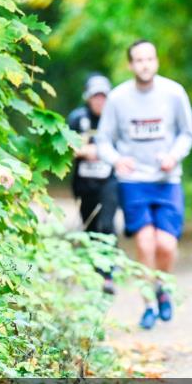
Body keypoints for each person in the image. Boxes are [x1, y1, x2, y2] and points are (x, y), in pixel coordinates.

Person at [95, 40, 192, 329]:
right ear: (130, 65)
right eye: (138, 60)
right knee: (144, 242)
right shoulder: (118, 98)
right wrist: (116, 159)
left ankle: (162, 286)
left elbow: (187, 132)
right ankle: (148, 305)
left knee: (165, 244)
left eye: (149, 59)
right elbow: (103, 139)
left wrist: (173, 156)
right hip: (134, 181)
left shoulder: (173, 93)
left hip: (166, 179)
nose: (144, 64)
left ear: (156, 62)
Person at [68, 74, 120, 293]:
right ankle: (94, 271)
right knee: (89, 225)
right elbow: (63, 146)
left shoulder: (116, 118)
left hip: (109, 180)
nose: (99, 101)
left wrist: (99, 152)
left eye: (103, 97)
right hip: (84, 182)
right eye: (95, 97)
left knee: (106, 224)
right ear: (87, 98)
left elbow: (125, 147)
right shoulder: (77, 118)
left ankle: (107, 272)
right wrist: (81, 151)